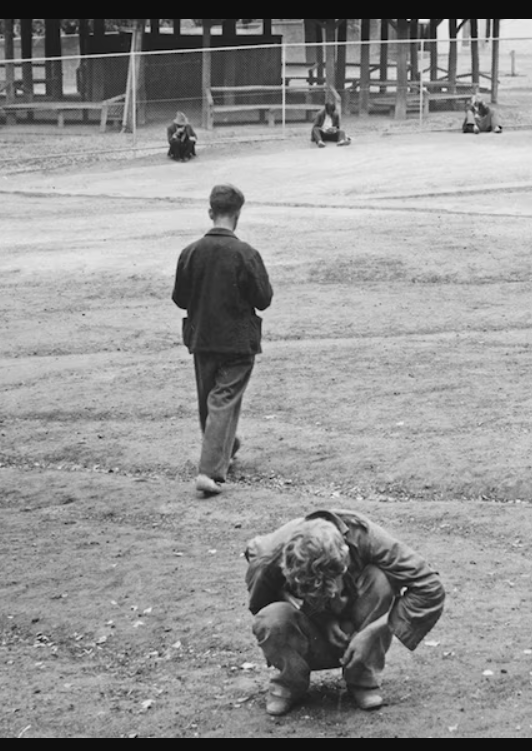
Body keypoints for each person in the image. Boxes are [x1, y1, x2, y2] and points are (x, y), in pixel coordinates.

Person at [245, 509, 445, 716]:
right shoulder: (268, 556)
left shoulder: (368, 538)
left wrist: (374, 630)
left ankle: (362, 676)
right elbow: (260, 603)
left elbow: (429, 587)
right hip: (310, 625)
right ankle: (290, 680)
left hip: (356, 617)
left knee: (379, 580)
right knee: (271, 616)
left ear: (345, 559)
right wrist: (320, 618)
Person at [172, 184, 273, 496]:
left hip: (202, 337)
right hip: (238, 341)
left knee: (210, 401)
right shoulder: (246, 254)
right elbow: (263, 299)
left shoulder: (190, 252)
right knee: (222, 400)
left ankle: (225, 447)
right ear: (238, 215)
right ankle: (210, 471)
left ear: (210, 213)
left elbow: (179, 298)